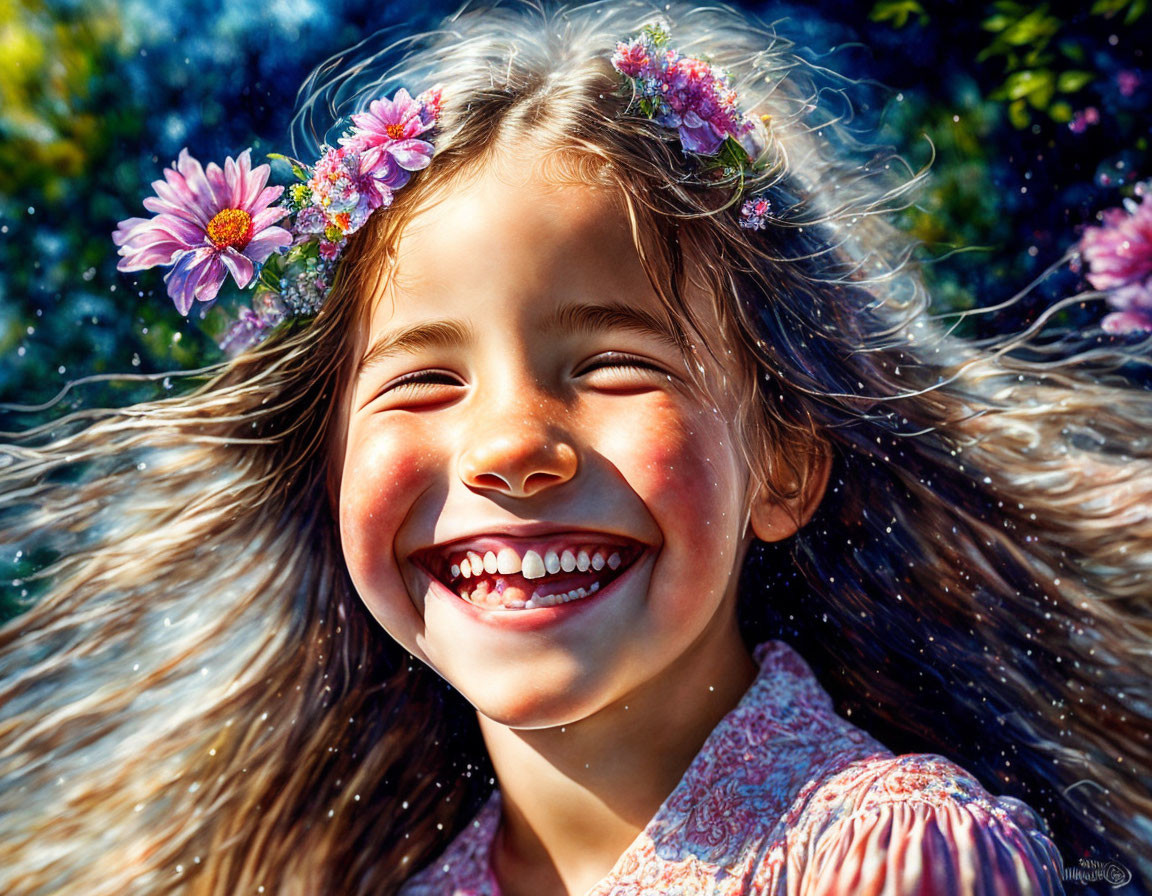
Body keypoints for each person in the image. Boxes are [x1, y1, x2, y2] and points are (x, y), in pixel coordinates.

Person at [1, 2, 1149, 894]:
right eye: (424, 381)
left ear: (787, 465)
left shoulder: (891, 851)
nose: (508, 445)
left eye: (613, 366)